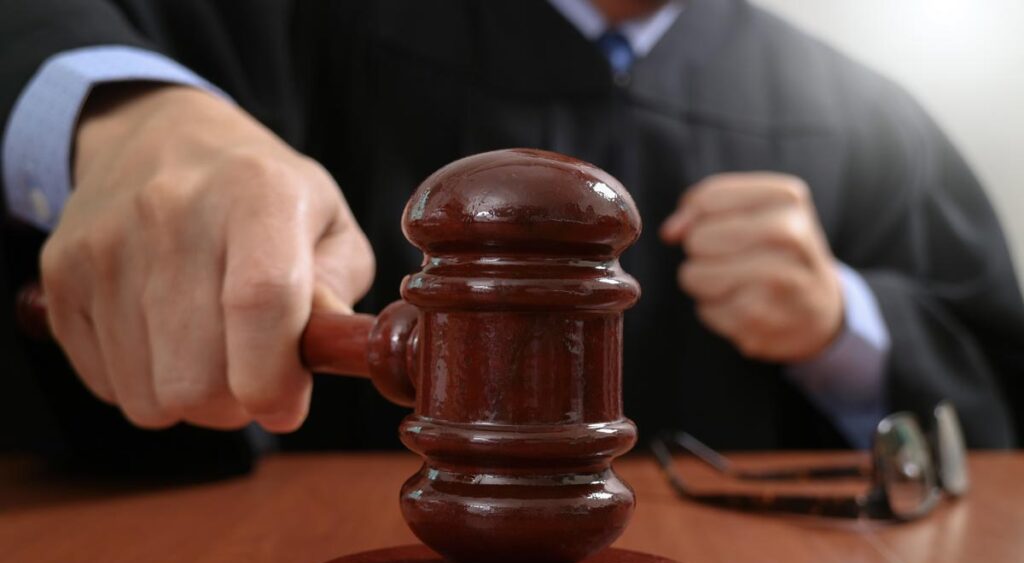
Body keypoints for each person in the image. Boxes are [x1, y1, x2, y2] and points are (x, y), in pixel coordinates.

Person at [1, 0, 1022, 476]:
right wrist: (126, 115)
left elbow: (994, 385)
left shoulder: (858, 114)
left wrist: (843, 323)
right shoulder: (314, 24)